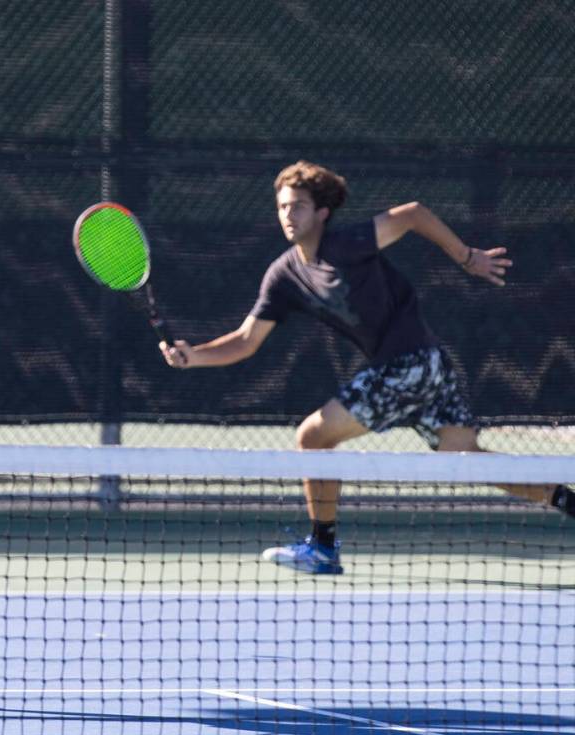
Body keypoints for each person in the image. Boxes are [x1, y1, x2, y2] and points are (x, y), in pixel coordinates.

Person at [160, 160, 575, 575]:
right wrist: (194, 354)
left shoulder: (349, 243)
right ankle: (566, 499)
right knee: (464, 457)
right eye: (283, 207)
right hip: (424, 368)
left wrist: (467, 257)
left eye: (299, 206)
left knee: (312, 438)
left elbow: (412, 213)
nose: (289, 215)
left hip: (412, 363)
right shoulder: (284, 274)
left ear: (322, 212)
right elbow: (246, 340)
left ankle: (322, 548)